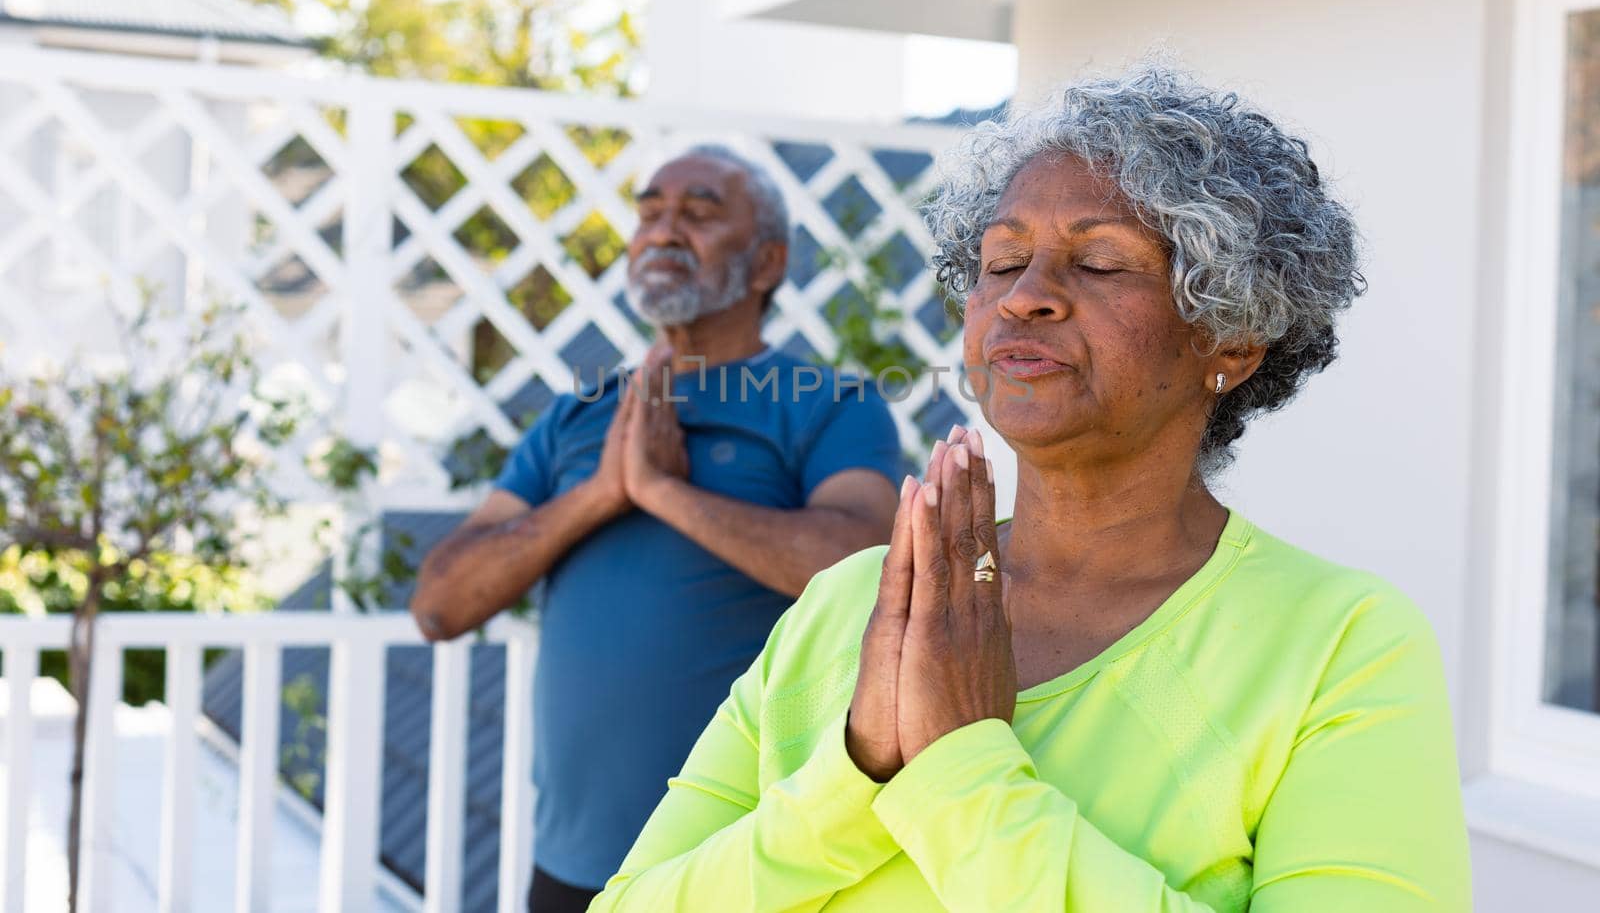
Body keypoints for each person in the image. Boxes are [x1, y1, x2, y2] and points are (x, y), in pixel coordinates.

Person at [590, 67, 1473, 911]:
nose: (1024, 298)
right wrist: (856, 771)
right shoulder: (849, 602)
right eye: (1002, 260)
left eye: (1099, 264)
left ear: (1233, 339)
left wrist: (964, 774)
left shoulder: (1340, 648)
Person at [408, 145, 904, 911]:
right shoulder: (579, 414)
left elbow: (861, 560)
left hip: (738, 869)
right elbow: (439, 603)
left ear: (767, 261)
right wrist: (602, 492)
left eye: (700, 212)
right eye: (649, 212)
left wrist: (665, 492)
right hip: (569, 869)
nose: (664, 230)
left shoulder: (828, 403)